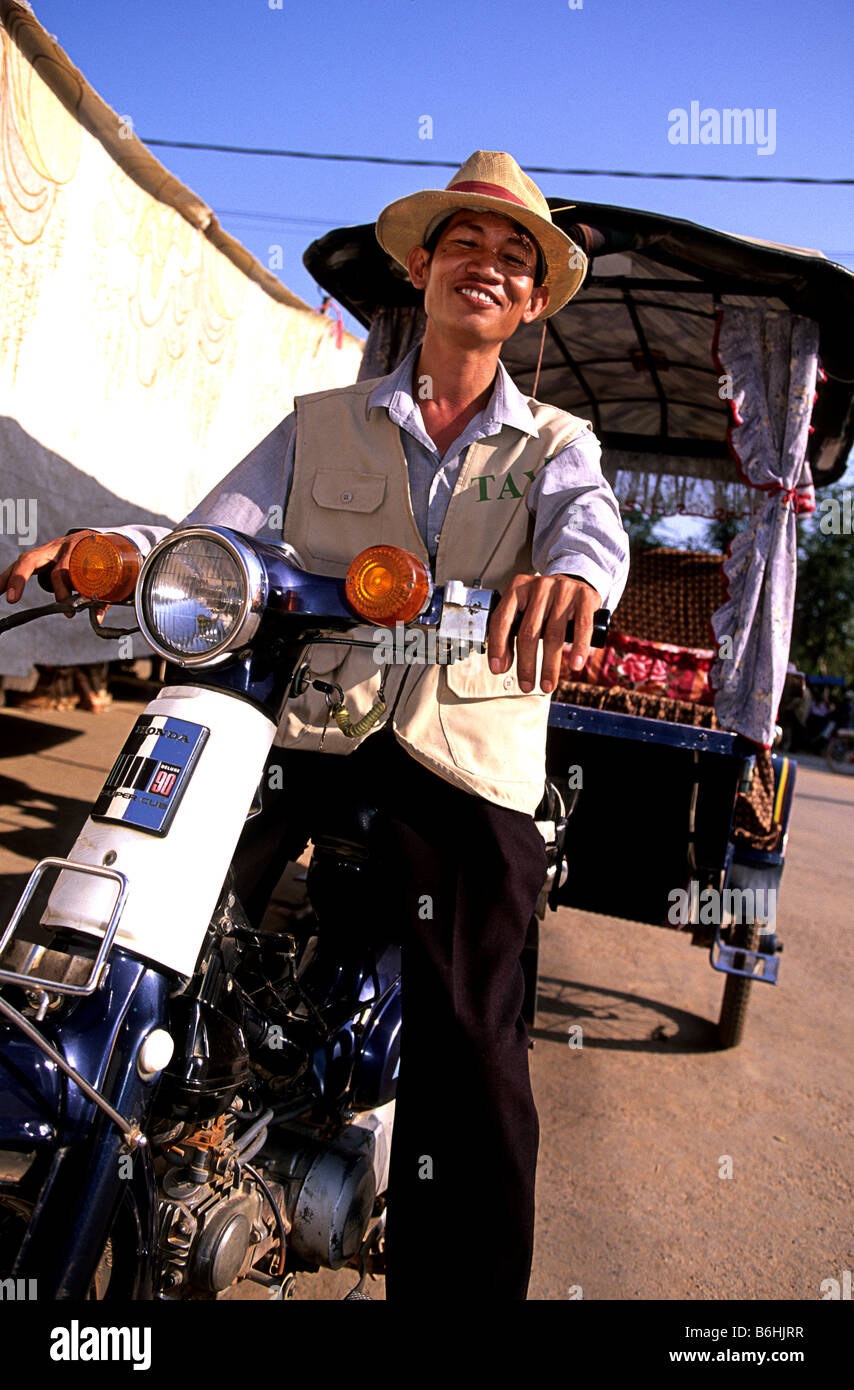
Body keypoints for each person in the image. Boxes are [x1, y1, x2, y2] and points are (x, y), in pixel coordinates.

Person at [1, 150, 630, 1299]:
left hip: (460, 753)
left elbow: (590, 530)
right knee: (145, 915)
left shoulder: (553, 445)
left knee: (470, 1032)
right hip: (310, 732)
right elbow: (214, 531)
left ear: (530, 300)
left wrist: (572, 580)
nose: (483, 268)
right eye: (463, 246)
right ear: (421, 268)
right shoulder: (320, 423)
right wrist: (117, 558)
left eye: (510, 257)